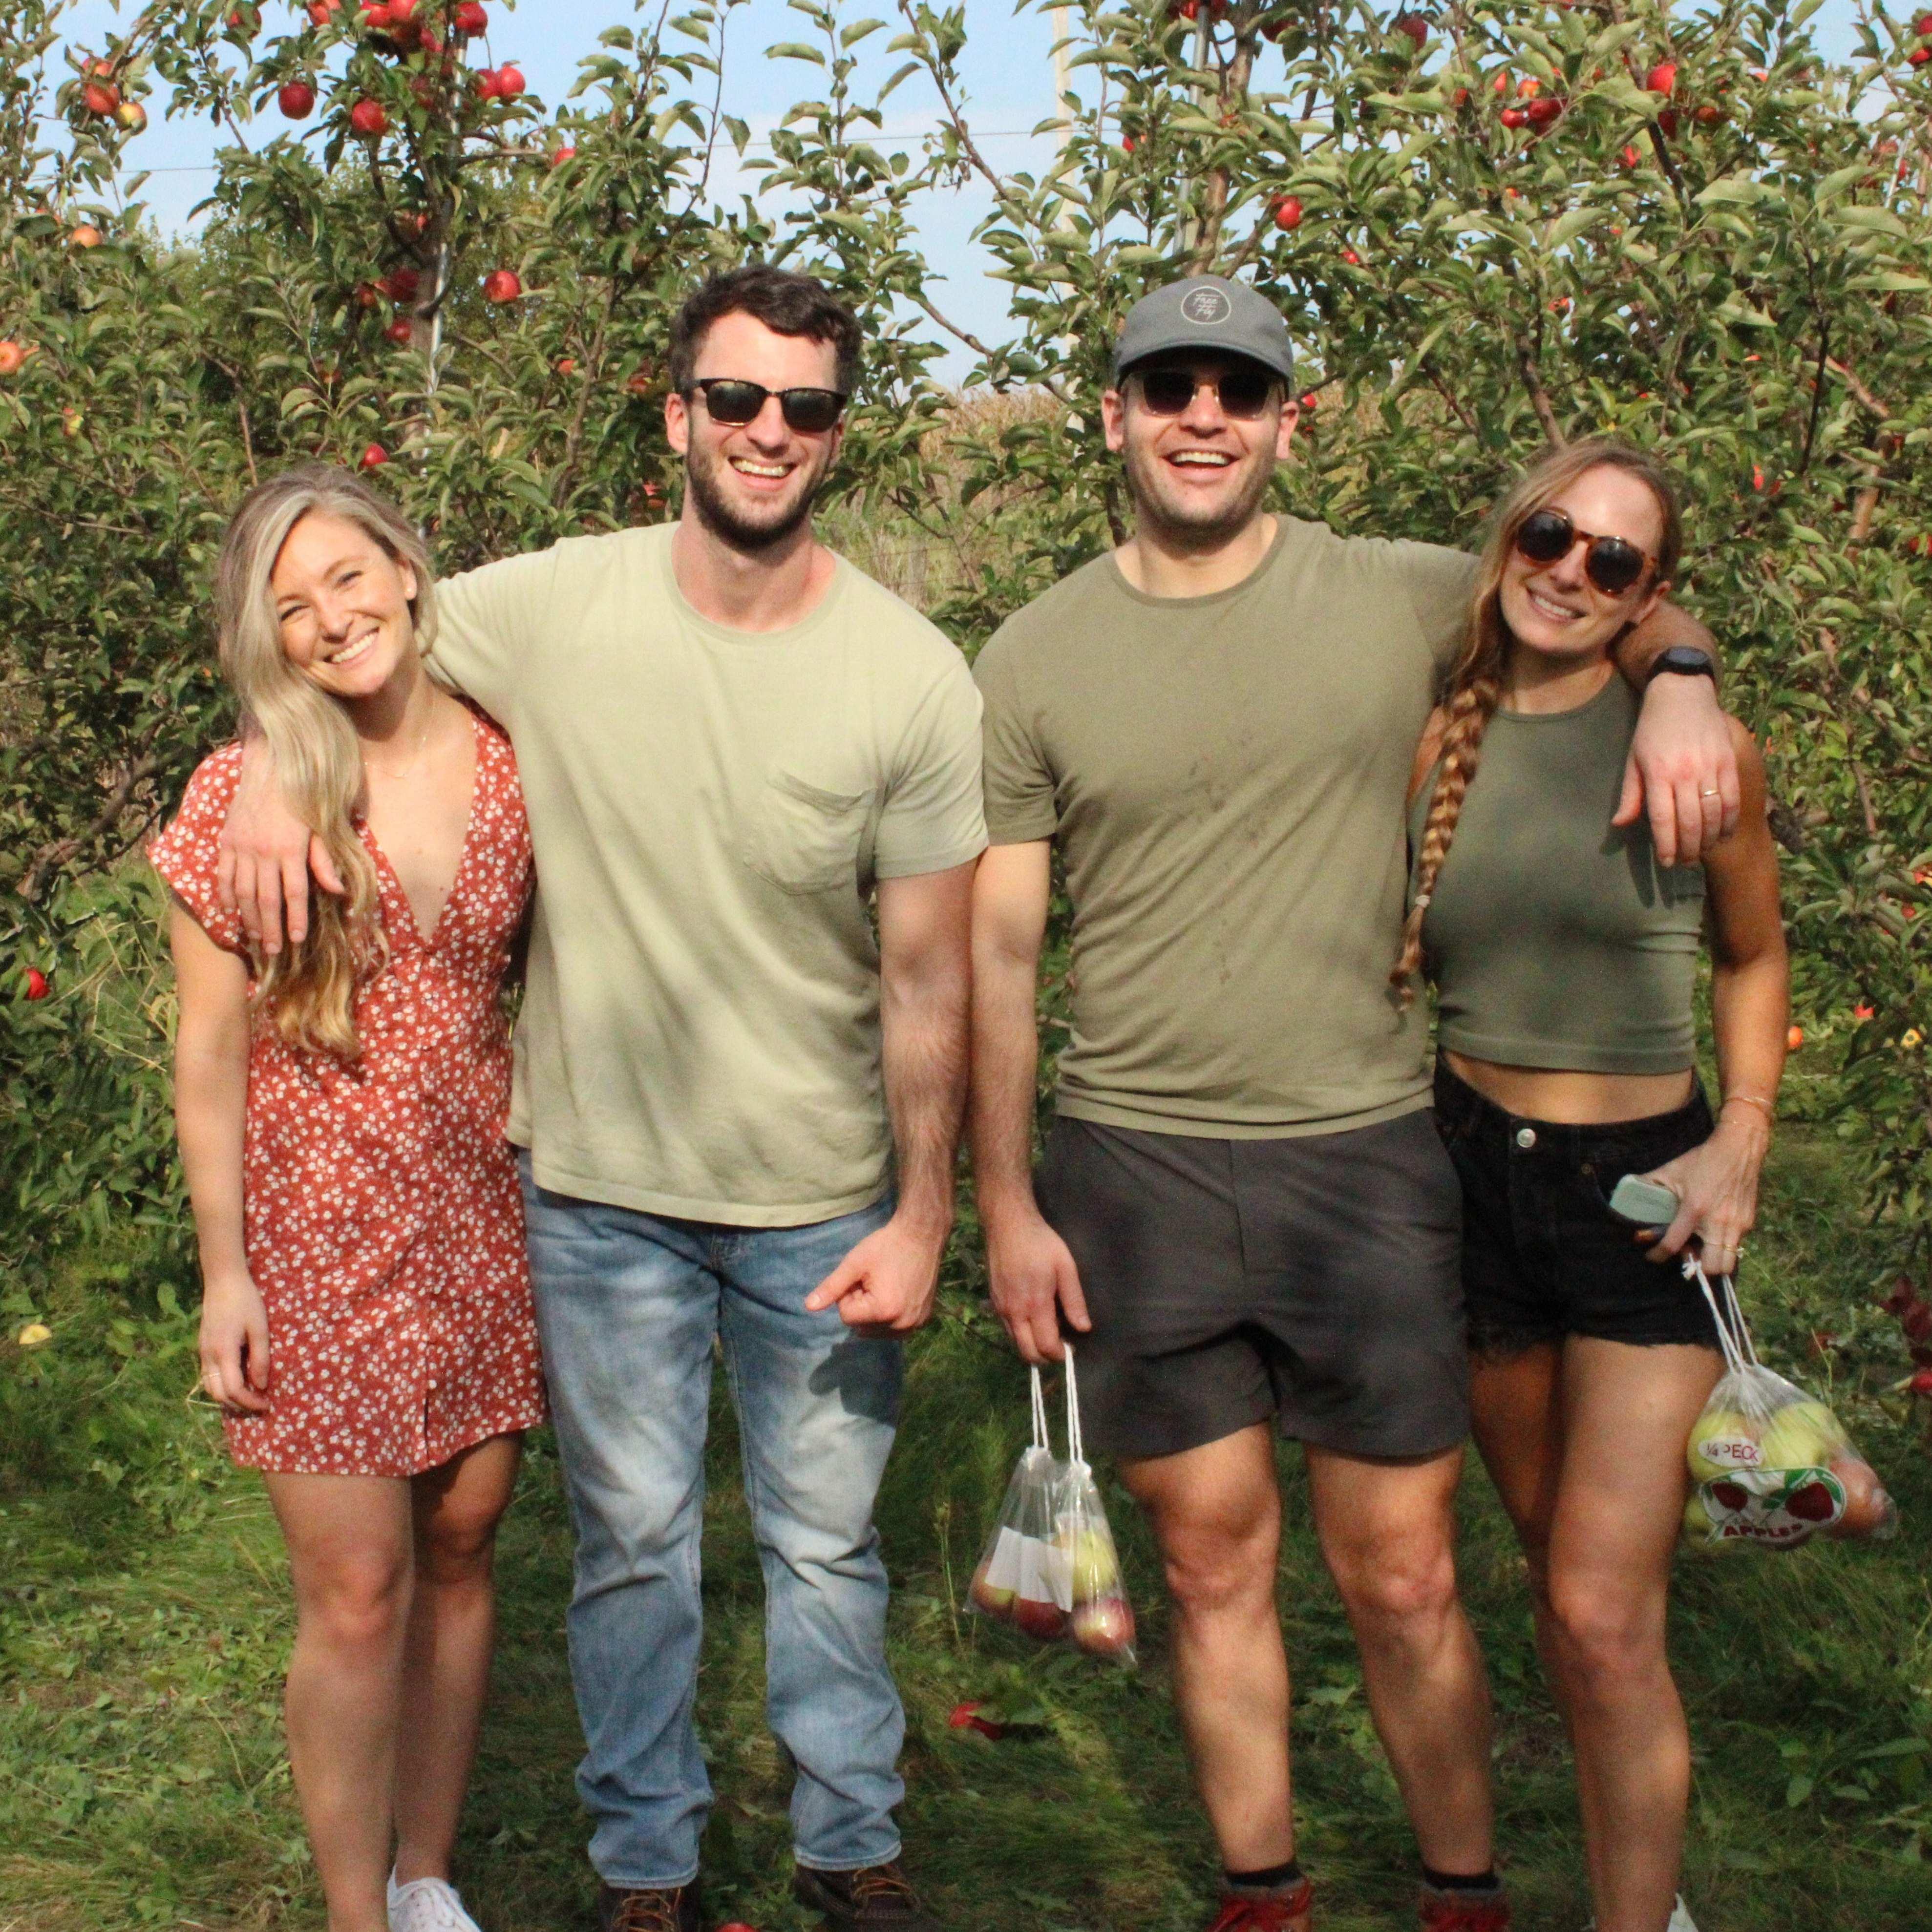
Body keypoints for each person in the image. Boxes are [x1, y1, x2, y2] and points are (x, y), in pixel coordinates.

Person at [968, 276, 1742, 1932]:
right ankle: (1266, 1891)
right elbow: (998, 952)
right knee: (1208, 1564)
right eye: (1164, 384)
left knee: (1399, 1572)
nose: (1199, 414)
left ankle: (1458, 1889)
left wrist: (1680, 664)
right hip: (1130, 1166)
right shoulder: (1030, 653)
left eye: (1235, 390)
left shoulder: (1397, 598)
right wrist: (1005, 1200)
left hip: (1368, 1162)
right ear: (1110, 413)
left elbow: (1589, 590)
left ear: (1283, 422)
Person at [215, 266, 984, 1932]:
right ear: (678, 414)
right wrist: (278, 766)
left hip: (822, 1194)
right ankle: (650, 1867)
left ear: (837, 431)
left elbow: (932, 977)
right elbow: (345, 633)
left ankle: (850, 1845)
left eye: (806, 407)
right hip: (600, 1193)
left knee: (829, 1548)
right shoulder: (554, 604)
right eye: (737, 399)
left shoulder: (913, 675)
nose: (768, 431)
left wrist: (929, 1210)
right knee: (632, 1549)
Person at [1399, 441, 1786, 1932]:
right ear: (1509, 537)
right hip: (1467, 1176)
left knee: (1600, 1612)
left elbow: (1752, 954)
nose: (1571, 569)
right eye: (1552, 533)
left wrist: (1743, 1127)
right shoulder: (1438, 734)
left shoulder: (1694, 741)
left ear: (1649, 592)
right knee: (1558, 1582)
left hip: (1642, 1197)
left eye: (1613, 559)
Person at [155, 465, 547, 1932]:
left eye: (346, 574)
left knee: (459, 1551)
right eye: (289, 605)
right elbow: (205, 1049)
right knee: (360, 1586)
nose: (330, 618)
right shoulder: (242, 793)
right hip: (309, 1235)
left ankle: (427, 1873)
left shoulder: (517, 755)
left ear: (406, 562)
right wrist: (224, 1272)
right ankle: (353, 1913)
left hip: (474, 1215)